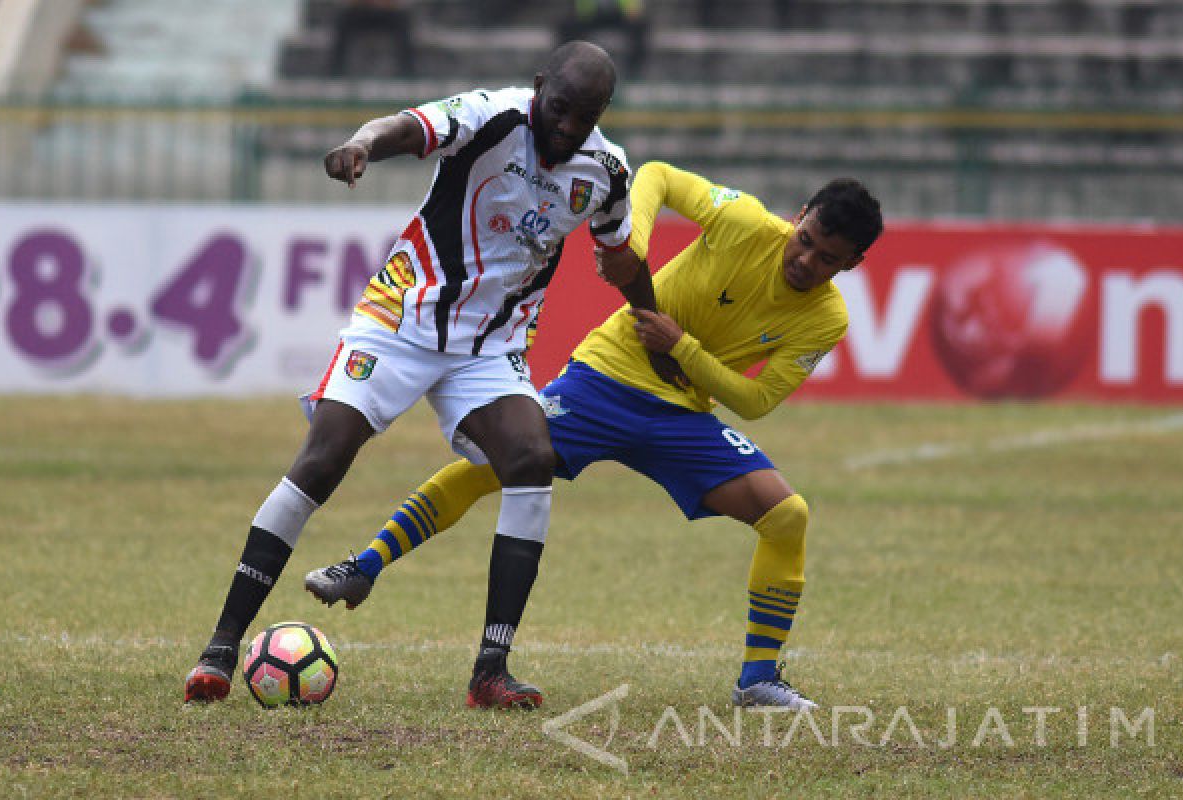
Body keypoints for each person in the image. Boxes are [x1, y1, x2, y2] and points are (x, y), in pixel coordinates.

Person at [184, 41, 666, 709]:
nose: (566, 126)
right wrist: (361, 143)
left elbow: (621, 254)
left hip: (490, 347)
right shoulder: (493, 116)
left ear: (601, 113)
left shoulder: (607, 173)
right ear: (537, 88)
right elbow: (408, 127)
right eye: (558, 108)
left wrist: (652, 318)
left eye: (583, 116)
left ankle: (490, 671)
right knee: (324, 459)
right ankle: (220, 647)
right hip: (401, 317)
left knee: (531, 458)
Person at [305, 161, 884, 709]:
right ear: (800, 214)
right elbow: (655, 177)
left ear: (851, 264)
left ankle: (757, 681)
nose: (806, 260)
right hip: (605, 378)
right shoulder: (744, 222)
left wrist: (680, 347)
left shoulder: (826, 319)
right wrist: (633, 248)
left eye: (827, 258)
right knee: (496, 466)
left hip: (681, 416)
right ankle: (365, 568)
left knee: (787, 516)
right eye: (804, 238)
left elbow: (757, 401)